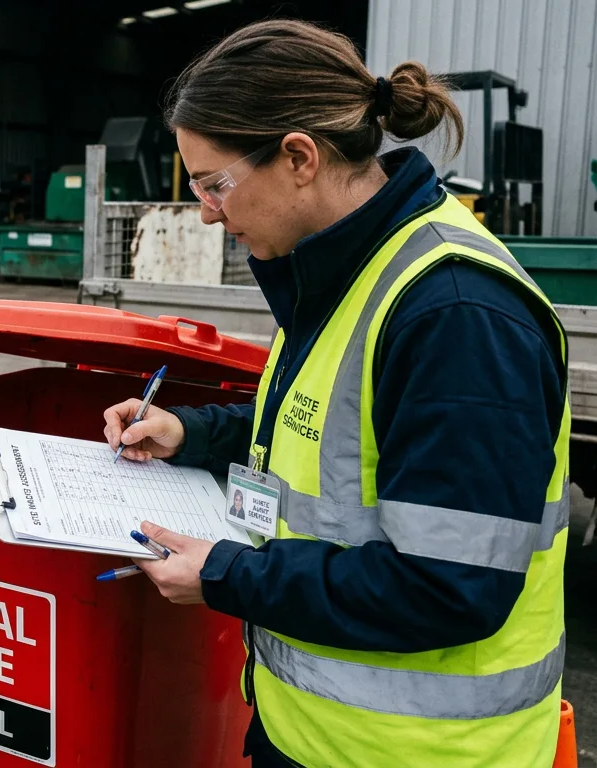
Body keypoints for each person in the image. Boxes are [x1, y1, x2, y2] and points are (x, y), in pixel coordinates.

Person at [102, 19, 569, 768]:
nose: (206, 214)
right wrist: (193, 432)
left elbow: (448, 587)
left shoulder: (454, 315)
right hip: (312, 736)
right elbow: (322, 427)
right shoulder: (343, 267)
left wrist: (226, 572)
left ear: (298, 157)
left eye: (214, 184)